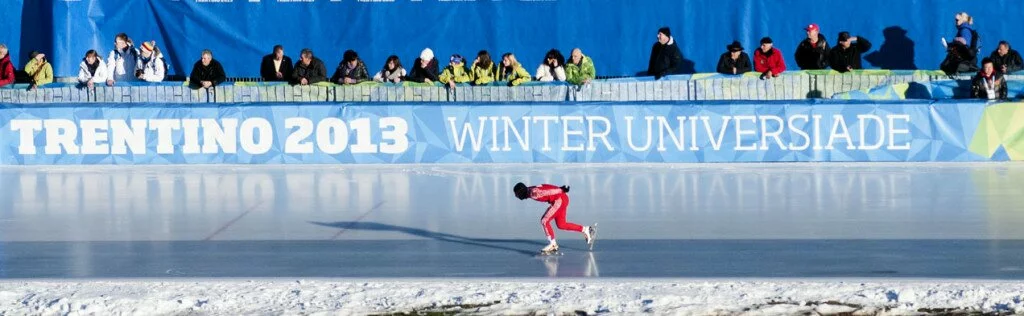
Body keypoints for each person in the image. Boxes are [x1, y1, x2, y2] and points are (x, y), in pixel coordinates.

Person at [513, 182, 596, 254]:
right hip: (562, 198)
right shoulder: (529, 190)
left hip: (559, 200)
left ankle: (553, 244)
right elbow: (545, 186)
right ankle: (586, 229)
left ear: (521, 192)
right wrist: (561, 190)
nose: (518, 197)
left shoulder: (533, 193)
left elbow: (548, 191)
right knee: (561, 224)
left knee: (544, 221)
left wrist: (561, 189)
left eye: (517, 195)